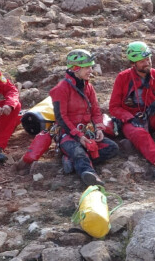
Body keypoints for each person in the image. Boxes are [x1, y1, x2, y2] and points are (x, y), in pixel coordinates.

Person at [49, 49, 118, 186]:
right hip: (68, 134)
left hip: (87, 132)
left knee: (112, 148)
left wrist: (98, 128)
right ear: (75, 68)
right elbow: (61, 118)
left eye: (90, 67)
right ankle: (90, 175)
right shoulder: (61, 89)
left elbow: (96, 111)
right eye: (87, 67)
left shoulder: (89, 87)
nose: (90, 70)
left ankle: (72, 161)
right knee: (78, 151)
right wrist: (79, 136)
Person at [108, 41, 155, 179]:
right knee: (139, 133)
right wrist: (129, 118)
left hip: (151, 118)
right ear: (133, 64)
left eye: (148, 59)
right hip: (131, 121)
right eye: (142, 61)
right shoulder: (122, 78)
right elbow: (114, 107)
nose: (147, 63)